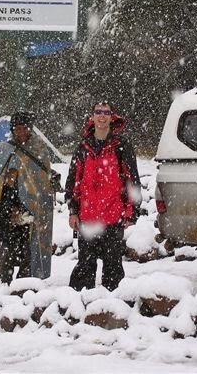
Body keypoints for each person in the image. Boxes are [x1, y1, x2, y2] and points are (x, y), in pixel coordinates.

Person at [65, 102, 142, 291]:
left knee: (113, 267)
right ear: (92, 117)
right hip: (87, 217)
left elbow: (132, 179)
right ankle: (79, 307)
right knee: (85, 266)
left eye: (106, 113)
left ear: (111, 117)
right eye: (98, 112)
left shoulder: (121, 145)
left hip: (113, 216)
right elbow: (73, 180)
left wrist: (131, 212)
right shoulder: (83, 146)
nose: (102, 116)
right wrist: (73, 211)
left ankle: (113, 309)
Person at [0, 111, 54, 284]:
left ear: (30, 128)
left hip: (31, 214)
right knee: (5, 255)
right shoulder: (2, 151)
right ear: (12, 130)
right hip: (5, 213)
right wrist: (8, 210)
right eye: (17, 128)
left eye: (24, 128)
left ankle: (25, 288)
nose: (21, 132)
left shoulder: (39, 150)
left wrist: (29, 208)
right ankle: (3, 288)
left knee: (29, 254)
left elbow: (42, 184)